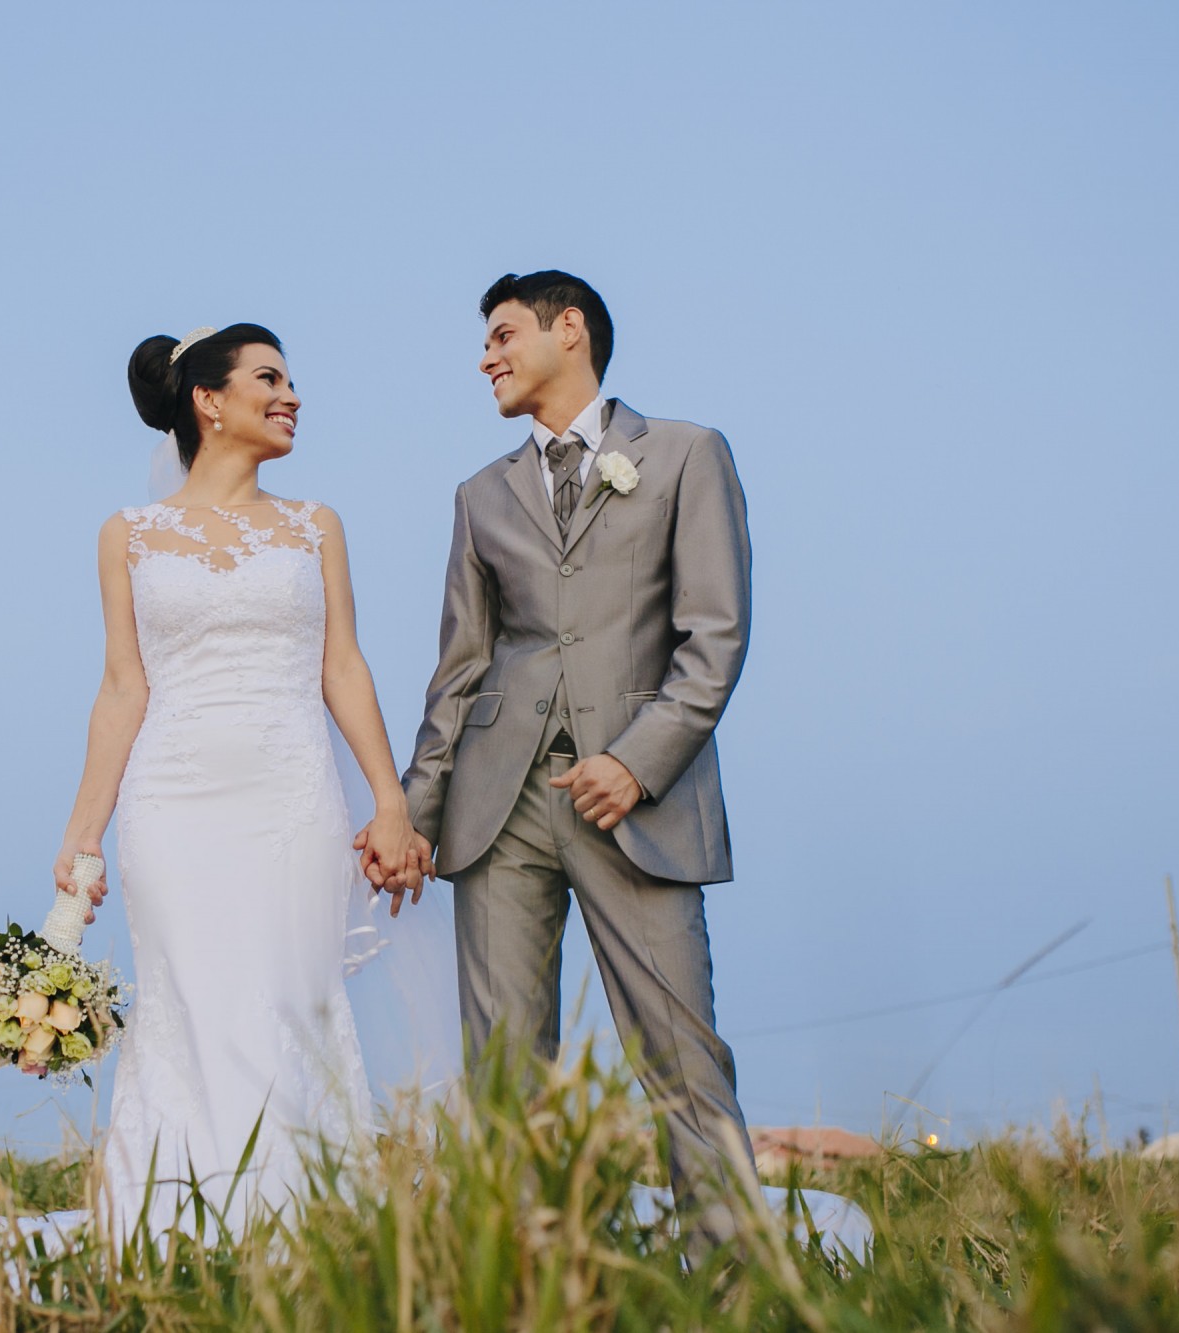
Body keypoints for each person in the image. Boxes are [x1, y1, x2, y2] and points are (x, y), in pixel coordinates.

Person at [379, 270, 758, 1254]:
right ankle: (526, 1276)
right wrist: (415, 813)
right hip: (495, 810)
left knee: (680, 1054)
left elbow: (713, 635)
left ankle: (728, 1278)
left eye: (502, 335)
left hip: (634, 803)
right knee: (504, 1068)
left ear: (570, 330)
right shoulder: (478, 496)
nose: (485, 357)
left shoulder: (683, 455)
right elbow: (457, 669)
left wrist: (636, 763)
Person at [51, 323, 426, 1242]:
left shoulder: (315, 525)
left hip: (293, 801)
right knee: (194, 1001)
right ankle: (175, 1226)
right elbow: (122, 687)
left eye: (293, 380)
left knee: (289, 1003)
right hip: (171, 809)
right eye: (270, 378)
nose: (292, 394)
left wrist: (389, 800)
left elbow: (343, 666)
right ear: (208, 403)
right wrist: (82, 835)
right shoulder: (128, 536)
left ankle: (299, 1228)